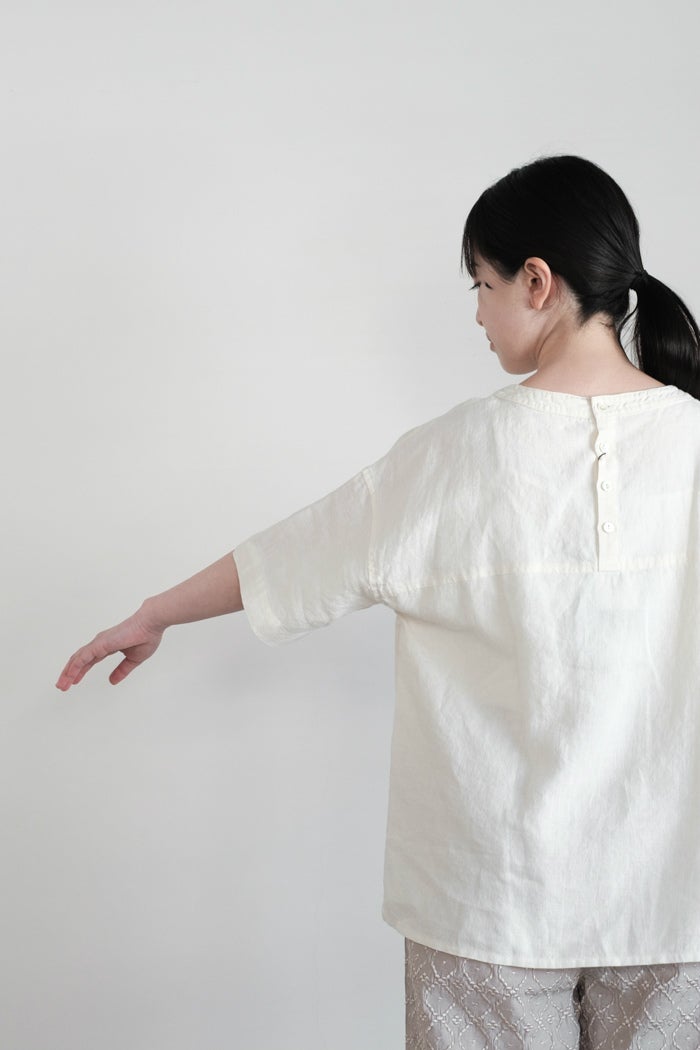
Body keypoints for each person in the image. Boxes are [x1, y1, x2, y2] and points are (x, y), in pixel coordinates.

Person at [56, 154, 700, 1049]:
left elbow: (302, 553)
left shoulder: (455, 454)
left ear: (537, 282)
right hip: (677, 898)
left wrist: (156, 611)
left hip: (487, 900)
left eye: (481, 285)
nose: (477, 313)